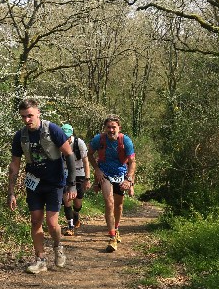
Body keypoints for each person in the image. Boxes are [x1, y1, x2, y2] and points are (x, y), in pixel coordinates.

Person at [8, 98, 77, 274]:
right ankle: (40, 260)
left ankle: (58, 246)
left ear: (38, 113)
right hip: (34, 184)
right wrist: (11, 192)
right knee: (35, 220)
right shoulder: (20, 136)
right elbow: (14, 164)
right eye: (23, 116)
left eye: (30, 115)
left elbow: (69, 155)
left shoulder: (52, 129)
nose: (27, 120)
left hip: (54, 182)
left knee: (52, 223)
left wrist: (72, 185)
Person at [87, 114, 136, 252]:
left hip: (121, 173)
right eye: (108, 127)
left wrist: (129, 179)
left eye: (113, 127)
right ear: (105, 128)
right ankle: (112, 236)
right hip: (105, 173)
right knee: (109, 202)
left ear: (119, 128)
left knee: (118, 205)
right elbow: (89, 154)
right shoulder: (98, 139)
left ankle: (116, 228)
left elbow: (132, 162)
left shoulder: (126, 141)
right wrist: (97, 170)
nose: (111, 130)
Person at [60, 124, 91, 235]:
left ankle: (76, 213)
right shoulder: (58, 143)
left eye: (68, 136)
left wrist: (87, 178)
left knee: (77, 202)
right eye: (64, 136)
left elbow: (86, 162)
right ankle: (70, 226)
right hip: (65, 173)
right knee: (67, 199)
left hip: (79, 173)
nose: (66, 139)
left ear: (71, 135)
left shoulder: (79, 143)